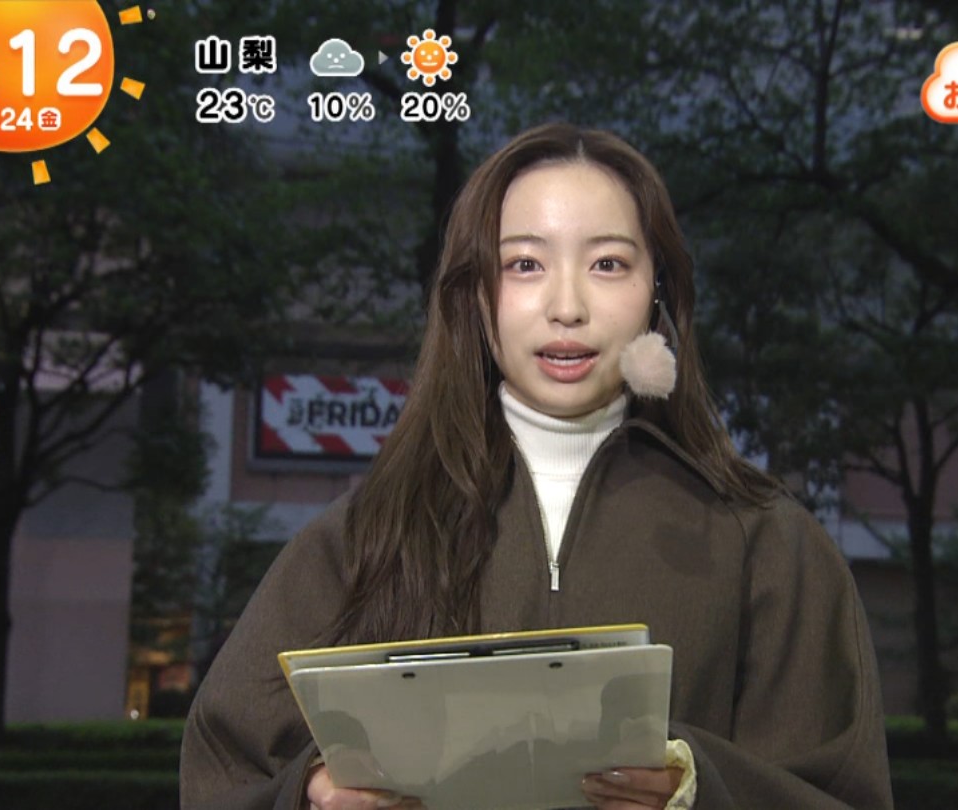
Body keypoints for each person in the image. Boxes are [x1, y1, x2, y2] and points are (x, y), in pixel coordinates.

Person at [180, 123, 893, 810]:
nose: (567, 306)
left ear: (658, 292)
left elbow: (839, 790)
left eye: (608, 264)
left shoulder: (765, 542)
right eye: (525, 264)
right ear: (476, 295)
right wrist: (311, 792)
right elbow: (225, 765)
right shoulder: (367, 532)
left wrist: (695, 784)